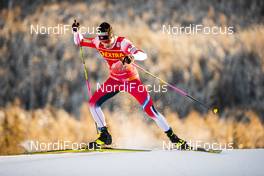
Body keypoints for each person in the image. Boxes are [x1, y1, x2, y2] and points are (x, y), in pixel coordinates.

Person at [72, 20, 191, 150]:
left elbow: (143, 55)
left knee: (150, 110)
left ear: (112, 35)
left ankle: (174, 138)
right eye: (101, 40)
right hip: (115, 81)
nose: (104, 44)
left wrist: (132, 56)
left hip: (131, 81)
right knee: (93, 104)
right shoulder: (97, 42)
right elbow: (79, 41)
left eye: (106, 39)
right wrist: (76, 31)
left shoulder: (122, 43)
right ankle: (104, 135)